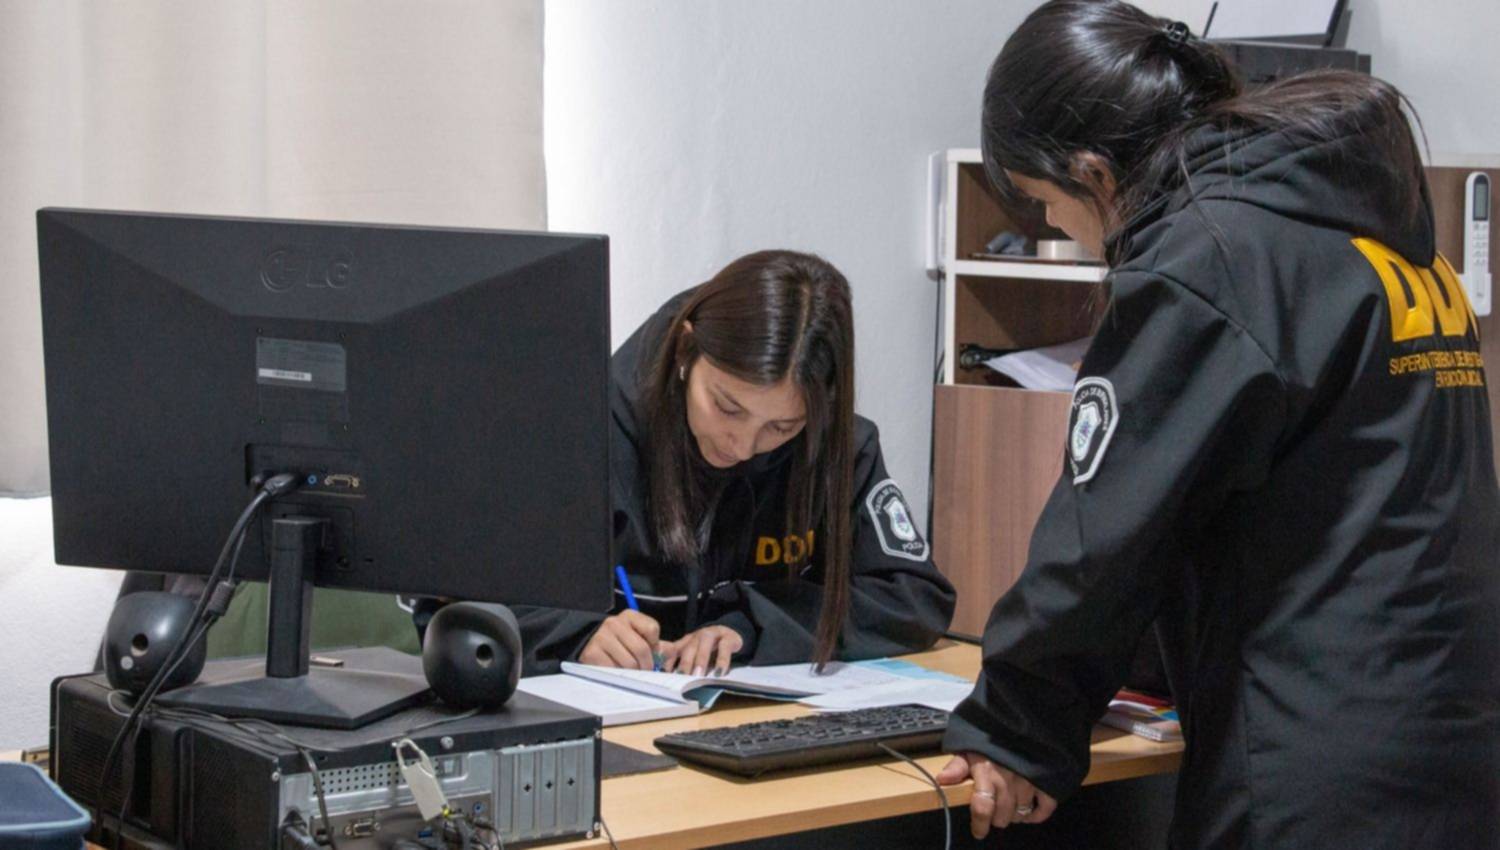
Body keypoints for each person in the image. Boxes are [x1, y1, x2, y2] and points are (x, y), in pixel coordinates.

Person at [935, 2, 1500, 847]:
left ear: (1094, 172)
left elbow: (1105, 534)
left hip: (1310, 765)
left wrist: (1013, 730)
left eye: (1046, 201)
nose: (1054, 228)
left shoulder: (1209, 261)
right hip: (1446, 737)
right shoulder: (1379, 239)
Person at [422, 249, 955, 676]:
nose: (742, 445)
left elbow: (914, 598)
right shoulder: (572, 433)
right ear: (685, 351)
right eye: (727, 407)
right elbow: (451, 599)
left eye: (781, 427)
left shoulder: (837, 448)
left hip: (744, 728)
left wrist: (755, 627)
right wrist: (576, 634)